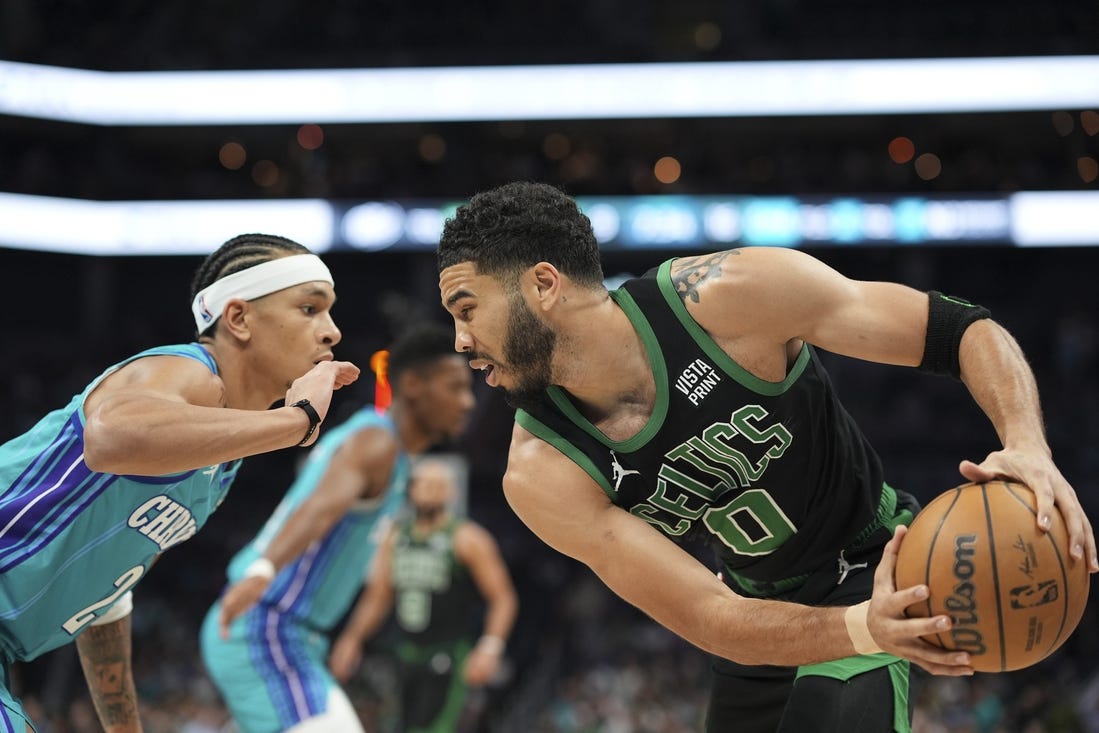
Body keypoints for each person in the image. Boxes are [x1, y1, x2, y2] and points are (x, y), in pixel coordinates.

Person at [435, 181, 1098, 732]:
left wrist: (1025, 443)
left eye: (467, 309)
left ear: (544, 284)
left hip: (878, 565)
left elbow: (960, 330)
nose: (460, 340)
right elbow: (707, 615)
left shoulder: (727, 298)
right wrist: (849, 628)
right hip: (757, 616)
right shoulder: (540, 469)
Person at [0, 233, 359, 732]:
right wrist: (297, 423)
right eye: (309, 308)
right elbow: (109, 437)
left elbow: (107, 595)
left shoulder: (220, 463)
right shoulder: (187, 372)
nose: (332, 332)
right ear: (237, 319)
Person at [200, 323, 476, 733]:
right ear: (414, 384)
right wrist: (262, 570)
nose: (468, 402)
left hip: (295, 637)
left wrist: (352, 638)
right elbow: (319, 508)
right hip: (266, 628)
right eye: (455, 387)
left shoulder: (382, 448)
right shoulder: (376, 444)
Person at [329, 457, 518, 733]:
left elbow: (503, 598)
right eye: (424, 483)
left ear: (451, 492)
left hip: (448, 655)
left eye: (437, 485)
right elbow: (378, 596)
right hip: (404, 652)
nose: (429, 490)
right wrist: (352, 638)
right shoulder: (395, 538)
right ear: (412, 488)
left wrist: (490, 647)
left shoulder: (467, 538)